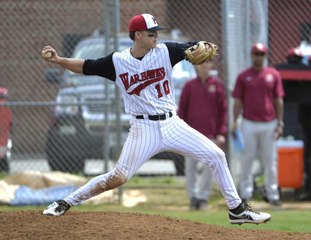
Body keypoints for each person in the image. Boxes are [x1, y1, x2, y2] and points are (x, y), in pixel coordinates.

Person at [42, 13, 271, 224]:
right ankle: (65, 202)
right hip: (142, 129)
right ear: (138, 35)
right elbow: (85, 66)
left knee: (216, 155)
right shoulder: (118, 62)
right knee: (118, 177)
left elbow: (192, 47)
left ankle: (237, 210)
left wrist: (205, 45)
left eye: (156, 32)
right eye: (152, 33)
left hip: (172, 124)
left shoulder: (165, 51)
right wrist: (58, 60)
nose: (156, 36)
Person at [232, 43, 284, 207]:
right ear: (251, 55)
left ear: (265, 56)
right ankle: (246, 194)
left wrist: (280, 122)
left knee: (270, 161)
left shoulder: (273, 75)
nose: (258, 57)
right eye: (256, 54)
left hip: (269, 123)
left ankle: (273, 194)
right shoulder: (244, 76)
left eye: (261, 54)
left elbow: (278, 100)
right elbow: (238, 100)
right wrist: (235, 121)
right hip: (249, 122)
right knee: (247, 159)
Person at [178, 61, 227, 210]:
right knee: (190, 168)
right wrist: (181, 132)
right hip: (191, 136)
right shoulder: (189, 85)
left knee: (209, 167)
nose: (204, 66)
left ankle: (203, 198)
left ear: (212, 66)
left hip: (210, 135)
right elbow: (182, 112)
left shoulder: (217, 85)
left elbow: (223, 111)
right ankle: (193, 197)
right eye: (200, 64)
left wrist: (221, 133)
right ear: (195, 67)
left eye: (207, 63)